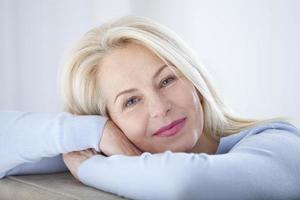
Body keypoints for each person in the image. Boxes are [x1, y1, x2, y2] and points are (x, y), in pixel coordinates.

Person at [0, 16, 300, 200]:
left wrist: (92, 168)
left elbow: (185, 183)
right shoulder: (112, 143)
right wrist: (90, 130)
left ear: (193, 78)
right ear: (111, 120)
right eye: (131, 101)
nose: (160, 108)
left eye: (167, 80)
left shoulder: (279, 141)